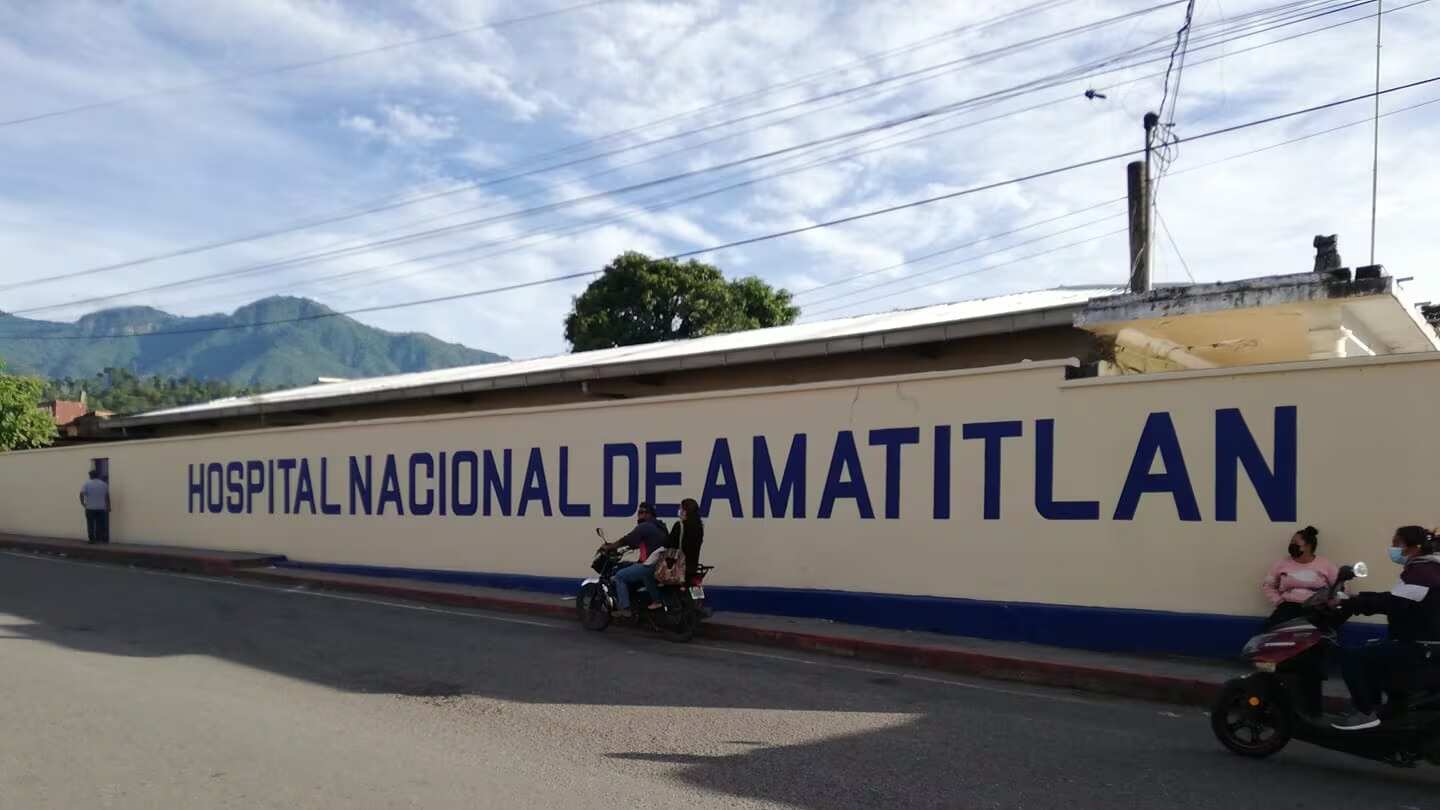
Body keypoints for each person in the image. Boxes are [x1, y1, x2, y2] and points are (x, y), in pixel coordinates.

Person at [1331, 525, 1440, 731]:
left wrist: (1348, 604)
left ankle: (1365, 712)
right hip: (1425, 641)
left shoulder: (1422, 572)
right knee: (1376, 650)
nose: (1392, 548)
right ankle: (1393, 707)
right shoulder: (1427, 569)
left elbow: (1392, 604)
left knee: (1351, 657)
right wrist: (1359, 598)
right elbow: (1395, 598)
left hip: (1420, 644)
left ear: (1413, 547)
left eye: (1396, 543)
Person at [1261, 525, 1338, 628]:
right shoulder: (1282, 563)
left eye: (1295, 543)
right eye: (1291, 542)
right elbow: (1268, 585)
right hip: (1288, 607)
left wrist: (1330, 603)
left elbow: (1341, 587)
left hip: (1316, 608)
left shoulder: (1325, 564)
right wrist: (1279, 602)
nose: (1291, 545)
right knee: (1270, 631)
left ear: (1308, 546)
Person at [601, 502, 670, 616]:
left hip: (651, 563)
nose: (639, 515)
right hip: (661, 564)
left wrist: (610, 546)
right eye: (639, 512)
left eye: (642, 512)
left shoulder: (645, 526)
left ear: (650, 514)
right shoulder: (660, 527)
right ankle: (656, 601)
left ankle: (625, 608)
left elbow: (628, 539)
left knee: (620, 576)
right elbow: (641, 542)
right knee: (644, 575)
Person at [671, 497, 704, 585]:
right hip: (693, 567)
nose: (679, 510)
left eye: (680, 508)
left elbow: (671, 545)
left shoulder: (679, 526)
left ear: (685, 511)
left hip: (680, 567)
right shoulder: (699, 527)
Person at [78, 469, 111, 544]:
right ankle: (100, 538)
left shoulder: (87, 484)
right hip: (101, 508)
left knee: (90, 524)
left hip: (90, 508)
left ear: (90, 476)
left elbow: (81, 494)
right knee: (100, 524)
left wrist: (83, 503)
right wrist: (108, 506)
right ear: (98, 475)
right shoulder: (104, 484)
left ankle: (92, 540)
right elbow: (107, 496)